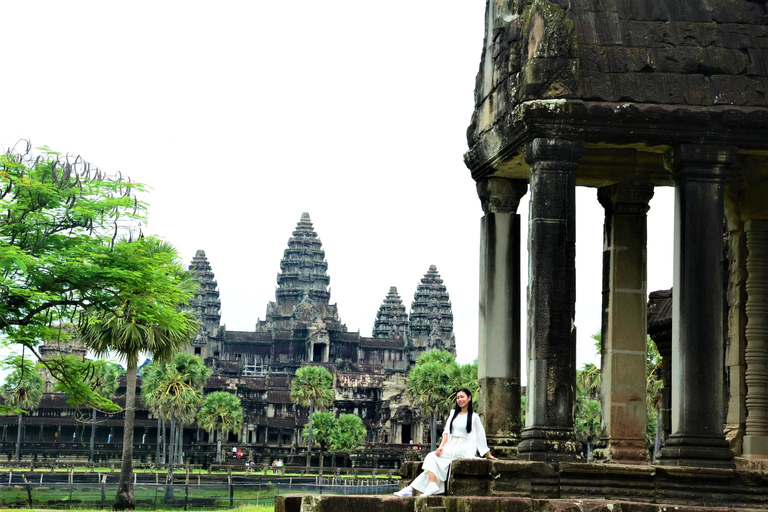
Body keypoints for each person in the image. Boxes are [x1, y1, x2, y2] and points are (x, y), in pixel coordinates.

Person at [394, 387, 497, 498]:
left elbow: (480, 435)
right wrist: (441, 447)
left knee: (431, 456)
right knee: (431, 468)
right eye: (458, 398)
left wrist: (488, 454)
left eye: (462, 397)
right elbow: (446, 432)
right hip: (451, 446)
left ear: (469, 398)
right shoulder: (453, 414)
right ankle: (412, 489)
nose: (460, 400)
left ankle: (428, 486)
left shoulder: (474, 417)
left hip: (463, 448)